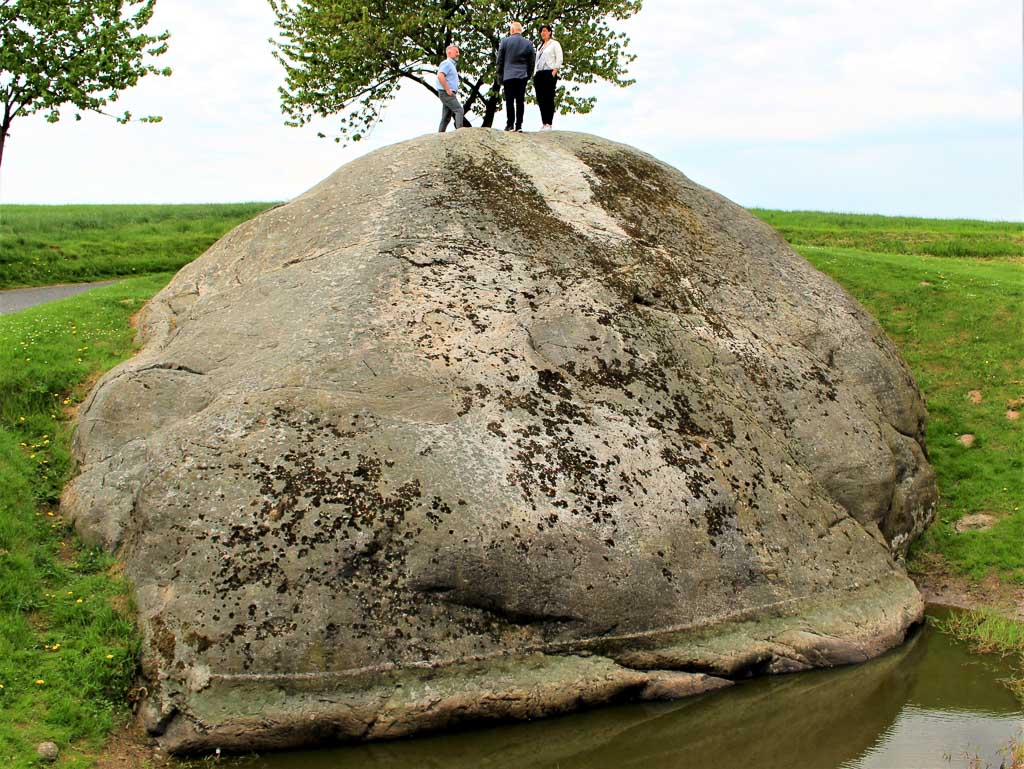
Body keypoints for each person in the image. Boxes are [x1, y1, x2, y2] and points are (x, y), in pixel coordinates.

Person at [496, 22, 534, 132]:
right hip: (522, 75)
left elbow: (500, 60)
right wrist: (528, 74)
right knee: (520, 101)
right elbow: (532, 61)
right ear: (520, 30)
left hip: (508, 75)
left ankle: (510, 124)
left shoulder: (505, 42)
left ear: (512, 30)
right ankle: (519, 126)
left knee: (509, 101)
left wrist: (500, 75)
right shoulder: (528, 44)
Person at [533, 25, 563, 131]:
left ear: (550, 32)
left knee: (548, 98)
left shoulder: (554, 44)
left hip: (549, 72)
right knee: (540, 99)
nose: (543, 33)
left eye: (545, 31)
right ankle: (544, 122)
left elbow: (559, 58)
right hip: (539, 73)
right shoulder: (539, 46)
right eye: (541, 31)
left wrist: (554, 71)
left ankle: (549, 123)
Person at [436, 44, 464, 132]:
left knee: (446, 117)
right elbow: (440, 76)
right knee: (459, 110)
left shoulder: (452, 65)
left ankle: (440, 135)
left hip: (446, 92)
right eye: (456, 52)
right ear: (449, 52)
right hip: (446, 92)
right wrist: (447, 89)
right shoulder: (447, 63)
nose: (458, 54)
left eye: (458, 52)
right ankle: (461, 131)